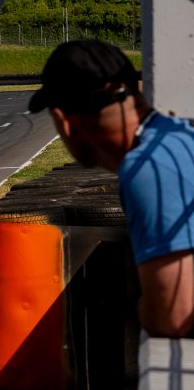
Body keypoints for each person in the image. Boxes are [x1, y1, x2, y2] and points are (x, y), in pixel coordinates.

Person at [29, 40, 194, 336]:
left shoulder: (148, 167)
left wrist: (141, 306)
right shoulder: (178, 135)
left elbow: (174, 314)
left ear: (64, 122)